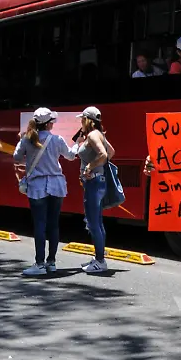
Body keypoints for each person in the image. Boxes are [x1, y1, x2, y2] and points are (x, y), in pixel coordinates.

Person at [13, 108, 76, 276]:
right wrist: (78, 143)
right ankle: (51, 262)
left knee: (40, 224)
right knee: (53, 224)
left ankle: (39, 263)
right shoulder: (57, 139)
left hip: (37, 186)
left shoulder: (27, 140)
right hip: (56, 185)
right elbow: (70, 156)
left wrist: (21, 140)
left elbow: (16, 158)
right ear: (49, 124)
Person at [75, 106, 115, 274]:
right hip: (99, 181)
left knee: (93, 222)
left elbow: (104, 155)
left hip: (94, 183)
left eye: (82, 119)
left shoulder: (92, 135)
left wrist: (90, 167)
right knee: (97, 221)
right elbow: (111, 151)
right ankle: (99, 258)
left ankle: (100, 260)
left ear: (87, 120)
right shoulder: (100, 134)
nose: (80, 123)